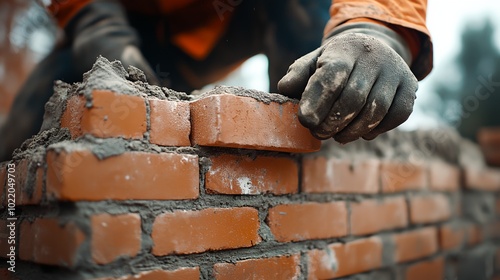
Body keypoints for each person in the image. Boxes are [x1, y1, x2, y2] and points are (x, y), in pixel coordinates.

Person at [0, 0, 432, 161]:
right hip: (127, 19)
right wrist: (94, 21)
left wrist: (375, 27)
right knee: (17, 151)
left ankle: (307, 157)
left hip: (250, 14)